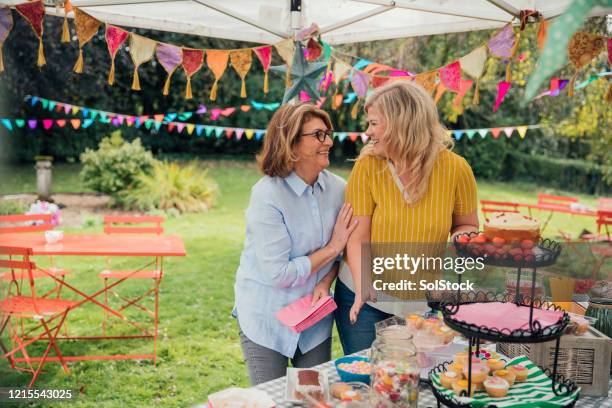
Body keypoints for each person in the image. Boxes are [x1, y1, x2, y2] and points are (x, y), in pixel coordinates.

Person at [334, 81, 479, 355]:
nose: (368, 132)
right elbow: (358, 236)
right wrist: (364, 285)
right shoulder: (367, 167)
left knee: (413, 381)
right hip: (365, 300)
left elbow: (467, 225)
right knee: (372, 381)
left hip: (423, 305)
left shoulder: (457, 169)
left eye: (374, 124)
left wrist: (462, 242)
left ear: (401, 124)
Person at [233, 103, 358, 385]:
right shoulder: (267, 195)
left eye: (327, 133)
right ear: (291, 145)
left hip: (314, 317)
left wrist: (325, 281)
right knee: (271, 400)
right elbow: (279, 274)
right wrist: (332, 248)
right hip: (267, 317)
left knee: (313, 398)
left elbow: (343, 255)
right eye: (318, 135)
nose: (328, 141)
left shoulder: (339, 189)